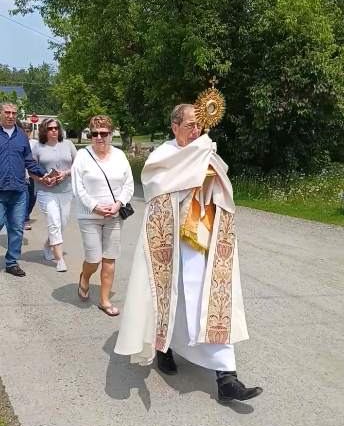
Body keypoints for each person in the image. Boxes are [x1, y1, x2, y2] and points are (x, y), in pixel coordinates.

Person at [115, 103, 263, 404]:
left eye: (199, 125)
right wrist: (193, 175)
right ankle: (164, 347)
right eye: (190, 125)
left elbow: (223, 192)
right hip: (171, 244)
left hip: (203, 240)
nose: (196, 131)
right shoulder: (163, 156)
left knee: (211, 303)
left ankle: (227, 378)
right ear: (175, 127)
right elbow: (156, 186)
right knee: (172, 300)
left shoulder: (206, 153)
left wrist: (209, 179)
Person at [71, 115, 134, 316]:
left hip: (114, 216)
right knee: (94, 258)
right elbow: (78, 187)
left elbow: (128, 184)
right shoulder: (82, 156)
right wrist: (95, 207)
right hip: (89, 216)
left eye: (104, 134)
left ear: (111, 134)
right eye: (95, 134)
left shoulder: (119, 155)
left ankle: (104, 300)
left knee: (110, 258)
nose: (99, 137)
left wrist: (118, 205)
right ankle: (85, 278)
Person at [0, 102, 50, 277]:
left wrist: (43, 174)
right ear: (1, 113)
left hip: (19, 191)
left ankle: (12, 263)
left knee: (17, 228)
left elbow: (28, 161)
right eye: (7, 112)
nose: (11, 115)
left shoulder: (22, 136)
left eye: (14, 113)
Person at [30, 118, 77, 272]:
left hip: (65, 190)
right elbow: (31, 170)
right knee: (53, 221)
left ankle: (47, 244)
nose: (54, 131)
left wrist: (66, 173)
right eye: (50, 128)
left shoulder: (68, 145)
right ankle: (60, 259)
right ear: (45, 130)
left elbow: (78, 165)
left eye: (56, 128)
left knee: (62, 222)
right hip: (45, 191)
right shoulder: (38, 147)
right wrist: (41, 179)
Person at [22, 122, 37, 230]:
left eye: (27, 131)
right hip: (23, 176)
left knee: (33, 198)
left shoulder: (35, 144)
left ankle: (26, 213)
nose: (26, 133)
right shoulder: (18, 142)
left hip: (33, 175)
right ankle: (25, 219)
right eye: (24, 131)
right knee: (26, 198)